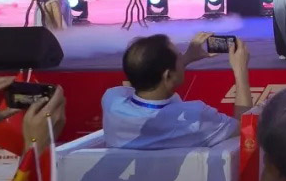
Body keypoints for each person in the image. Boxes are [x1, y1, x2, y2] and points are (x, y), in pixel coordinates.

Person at [101, 33, 253, 149]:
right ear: (168, 75)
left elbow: (145, 77)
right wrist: (240, 70)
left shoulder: (112, 101)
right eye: (179, 57)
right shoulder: (194, 117)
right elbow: (244, 128)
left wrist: (186, 58)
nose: (182, 58)